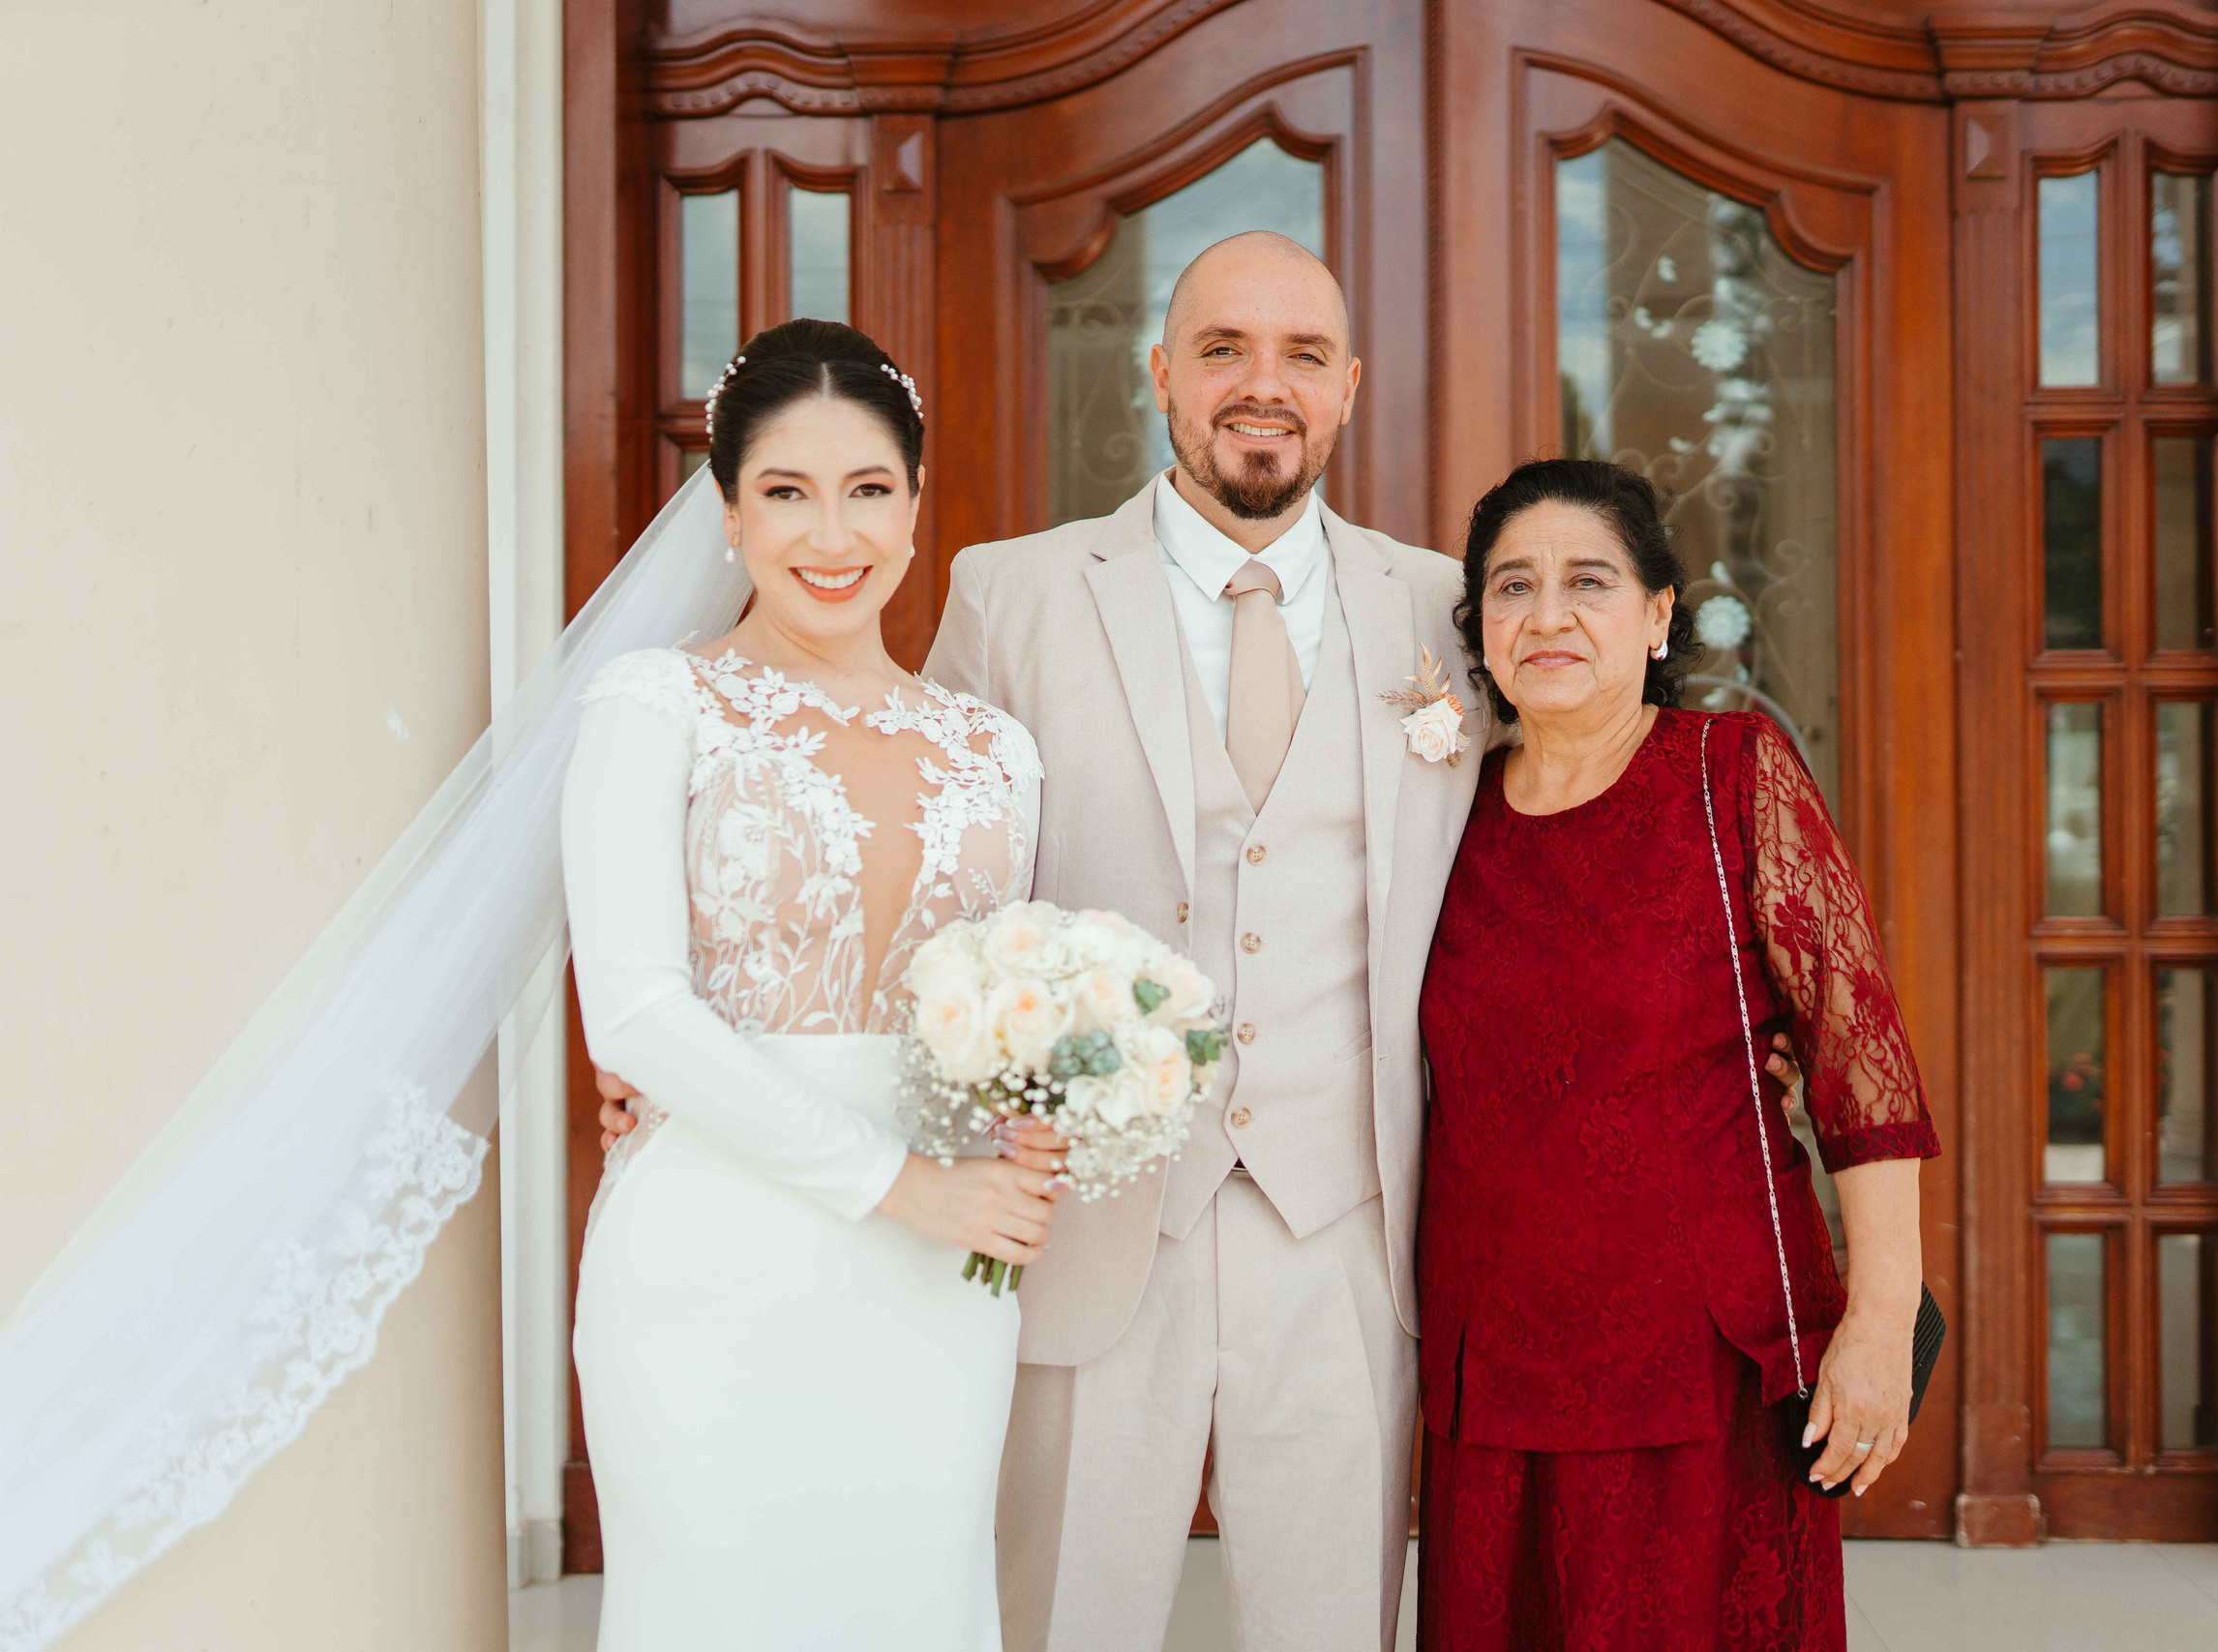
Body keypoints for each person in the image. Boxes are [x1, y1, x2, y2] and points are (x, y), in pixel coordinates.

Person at [594, 230, 1465, 1647]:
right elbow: (916, 867)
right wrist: (687, 1046)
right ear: (1160, 372)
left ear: (1351, 384)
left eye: (1303, 354)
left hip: (1344, 1223)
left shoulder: (1444, 607)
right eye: (1223, 349)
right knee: (1059, 1618)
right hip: (1072, 1218)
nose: (1264, 383)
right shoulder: (1013, 591)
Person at [561, 318, 1068, 1650]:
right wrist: (907, 1184)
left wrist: (1041, 1122)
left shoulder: (998, 749)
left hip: (944, 1285)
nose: (831, 536)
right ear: (729, 512)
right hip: (711, 1258)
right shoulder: (653, 706)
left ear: (916, 504)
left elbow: (1009, 1009)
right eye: (786, 491)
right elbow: (635, 1013)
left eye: (868, 489)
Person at [1415, 458, 1940, 1651]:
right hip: (1490, 1363)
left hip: (1702, 1366)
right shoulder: (1443, 815)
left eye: (1588, 581)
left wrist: (1880, 1318)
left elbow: (1860, 1066)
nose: (1547, 614)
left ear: (1656, 615)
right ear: (1479, 626)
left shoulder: (1729, 773)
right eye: (1512, 586)